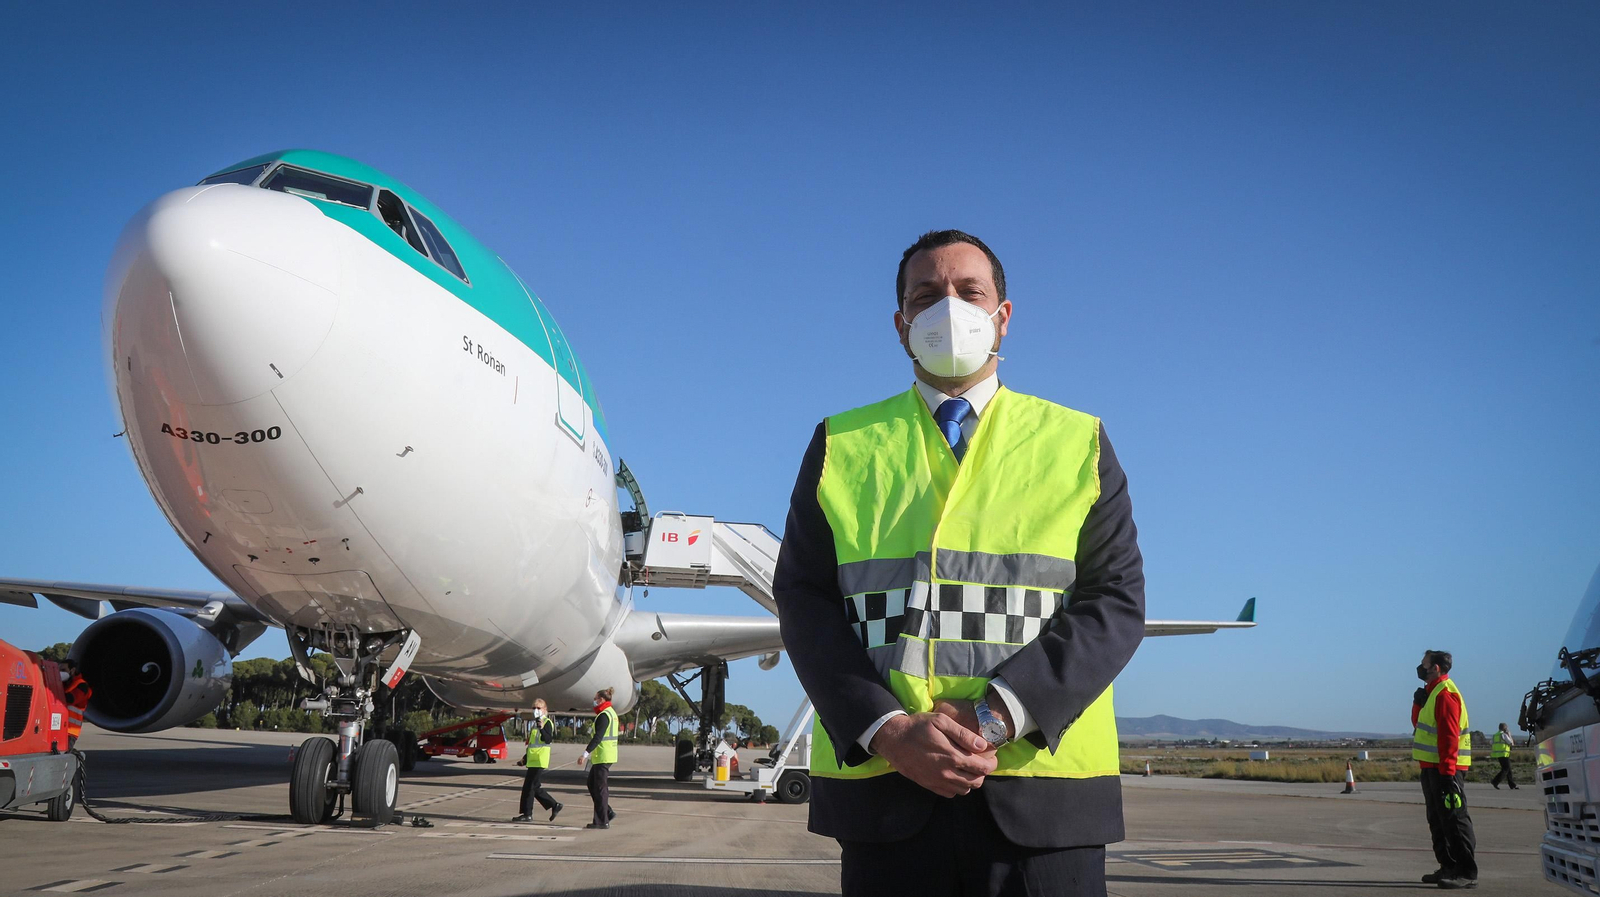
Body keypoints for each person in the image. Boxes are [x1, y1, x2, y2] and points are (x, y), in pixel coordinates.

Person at [774, 230, 1146, 897]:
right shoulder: (840, 444)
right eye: (926, 295)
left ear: (1003, 314)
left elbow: (1115, 601)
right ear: (901, 324)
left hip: (1044, 797)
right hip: (888, 797)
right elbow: (803, 600)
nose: (949, 307)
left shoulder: (1077, 441)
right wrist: (888, 729)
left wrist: (996, 715)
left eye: (968, 291)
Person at [1412, 649, 1477, 889]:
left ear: (1436, 668)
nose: (1420, 668)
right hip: (1431, 767)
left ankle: (1467, 871)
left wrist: (1449, 772)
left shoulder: (1446, 694)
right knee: (1437, 820)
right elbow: (1419, 726)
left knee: (1454, 820)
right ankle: (1448, 866)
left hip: (1445, 769)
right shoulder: (1432, 693)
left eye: (1424, 664)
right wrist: (1418, 703)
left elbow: (1449, 736)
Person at [512, 699, 563, 822]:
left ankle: (528, 813)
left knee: (530, 787)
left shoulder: (547, 723)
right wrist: (524, 759)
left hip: (540, 760)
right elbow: (532, 745)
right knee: (533, 787)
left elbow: (548, 739)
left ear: (545, 709)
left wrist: (542, 728)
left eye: (539, 708)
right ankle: (554, 805)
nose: (536, 710)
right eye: (534, 708)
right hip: (532, 760)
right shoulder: (535, 724)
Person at [581, 688, 619, 830]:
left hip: (603, 755)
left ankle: (602, 821)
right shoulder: (612, 713)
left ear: (602, 699)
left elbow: (598, 737)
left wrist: (585, 754)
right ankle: (606, 812)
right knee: (592, 784)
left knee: (600, 789)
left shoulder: (604, 715)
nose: (594, 701)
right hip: (604, 755)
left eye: (596, 698)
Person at [60, 660, 91, 749]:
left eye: (63, 670)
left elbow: (71, 699)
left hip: (70, 731)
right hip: (59, 728)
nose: (61, 672)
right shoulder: (64, 685)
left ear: (72, 670)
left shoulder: (82, 686)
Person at [1488, 722, 1517, 790]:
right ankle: (1495, 781)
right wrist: (1509, 734)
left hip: (1498, 754)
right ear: (1505, 728)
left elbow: (1490, 742)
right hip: (1504, 754)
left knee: (1508, 769)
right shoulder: (1503, 735)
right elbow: (1511, 743)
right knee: (1506, 769)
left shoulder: (1495, 735)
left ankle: (1512, 785)